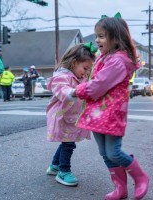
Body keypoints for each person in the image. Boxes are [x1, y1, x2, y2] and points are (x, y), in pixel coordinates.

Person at [74, 13, 149, 200]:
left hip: (111, 112)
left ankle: (140, 177)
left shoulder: (118, 60)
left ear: (116, 38)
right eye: (96, 35)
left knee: (113, 152)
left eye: (102, 36)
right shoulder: (106, 57)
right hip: (98, 112)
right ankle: (120, 189)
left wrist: (78, 90)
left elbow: (99, 84)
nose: (97, 40)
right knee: (104, 153)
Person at [46, 42, 96, 186]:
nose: (86, 72)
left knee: (67, 141)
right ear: (74, 62)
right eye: (85, 68)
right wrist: (74, 91)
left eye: (89, 69)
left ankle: (55, 166)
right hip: (62, 116)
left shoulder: (81, 77)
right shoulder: (62, 76)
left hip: (72, 116)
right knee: (68, 143)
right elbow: (62, 90)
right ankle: (63, 171)